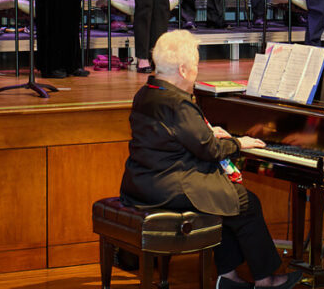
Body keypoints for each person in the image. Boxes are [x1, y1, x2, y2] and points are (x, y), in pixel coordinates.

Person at [119, 29, 302, 289]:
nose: (196, 72)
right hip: (170, 187)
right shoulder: (177, 103)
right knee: (244, 202)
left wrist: (207, 132)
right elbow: (210, 150)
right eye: (195, 66)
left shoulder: (147, 92)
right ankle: (266, 280)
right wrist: (238, 143)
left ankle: (228, 277)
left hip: (141, 182)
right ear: (183, 70)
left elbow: (175, 137)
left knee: (222, 197)